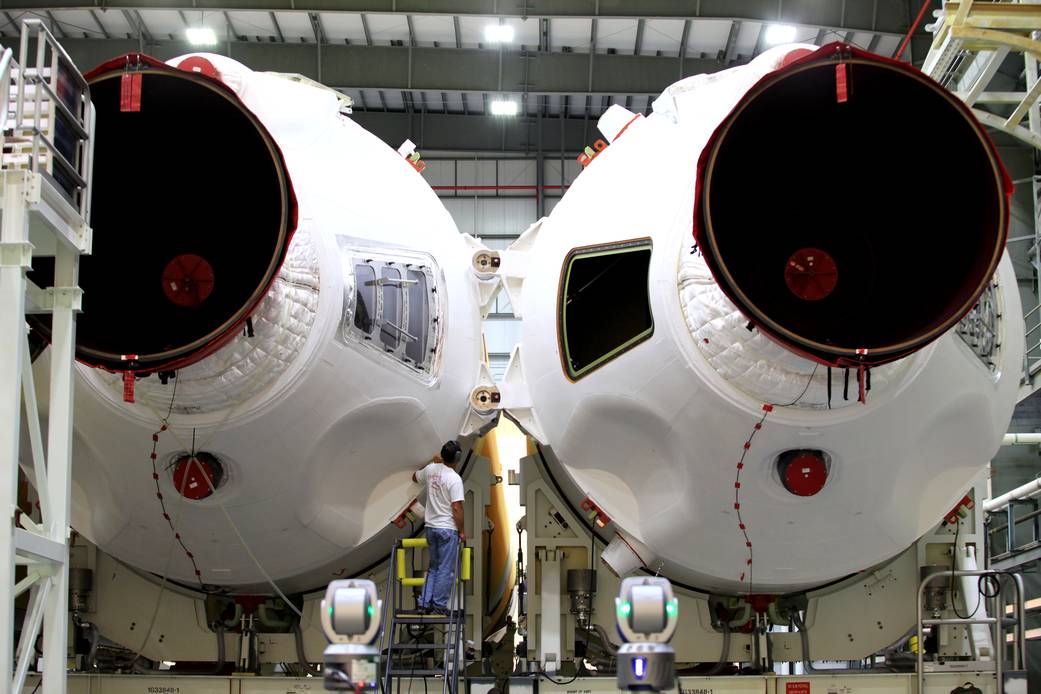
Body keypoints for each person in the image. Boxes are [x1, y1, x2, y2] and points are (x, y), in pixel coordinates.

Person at [413, 440, 466, 614]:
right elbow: (456, 508)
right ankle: (439, 604)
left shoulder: (430, 470)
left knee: (434, 568)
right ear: (457, 458)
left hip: (430, 527)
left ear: (442, 455)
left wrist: (433, 462)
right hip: (447, 529)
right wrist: (462, 531)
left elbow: (415, 477)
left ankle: (424, 603)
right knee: (446, 569)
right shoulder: (454, 479)